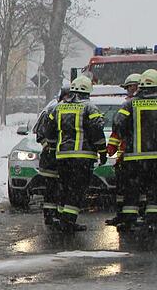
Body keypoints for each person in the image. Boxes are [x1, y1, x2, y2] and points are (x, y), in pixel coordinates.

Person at [34, 74, 107, 232]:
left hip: (62, 157)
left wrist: (52, 147)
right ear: (87, 91)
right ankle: (68, 222)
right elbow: (96, 131)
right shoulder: (90, 108)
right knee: (77, 189)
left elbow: (48, 130)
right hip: (83, 157)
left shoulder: (58, 107)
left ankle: (62, 219)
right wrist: (102, 151)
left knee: (65, 188)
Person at [110, 68, 157, 229]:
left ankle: (129, 220)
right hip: (155, 158)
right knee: (154, 189)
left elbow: (117, 124)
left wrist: (128, 136)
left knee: (132, 189)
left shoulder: (129, 104)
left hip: (133, 157)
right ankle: (152, 220)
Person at [105, 72, 143, 227]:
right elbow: (117, 131)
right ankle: (123, 216)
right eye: (128, 88)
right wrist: (112, 148)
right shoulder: (127, 105)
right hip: (127, 156)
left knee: (135, 189)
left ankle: (136, 217)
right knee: (123, 190)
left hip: (135, 155)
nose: (129, 91)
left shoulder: (134, 106)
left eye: (131, 87)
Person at [34, 83, 72, 226]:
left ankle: (61, 216)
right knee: (51, 189)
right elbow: (40, 134)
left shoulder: (72, 112)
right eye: (66, 96)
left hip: (64, 159)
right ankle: (50, 216)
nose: (68, 99)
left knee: (63, 189)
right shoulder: (52, 111)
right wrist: (49, 148)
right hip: (51, 159)